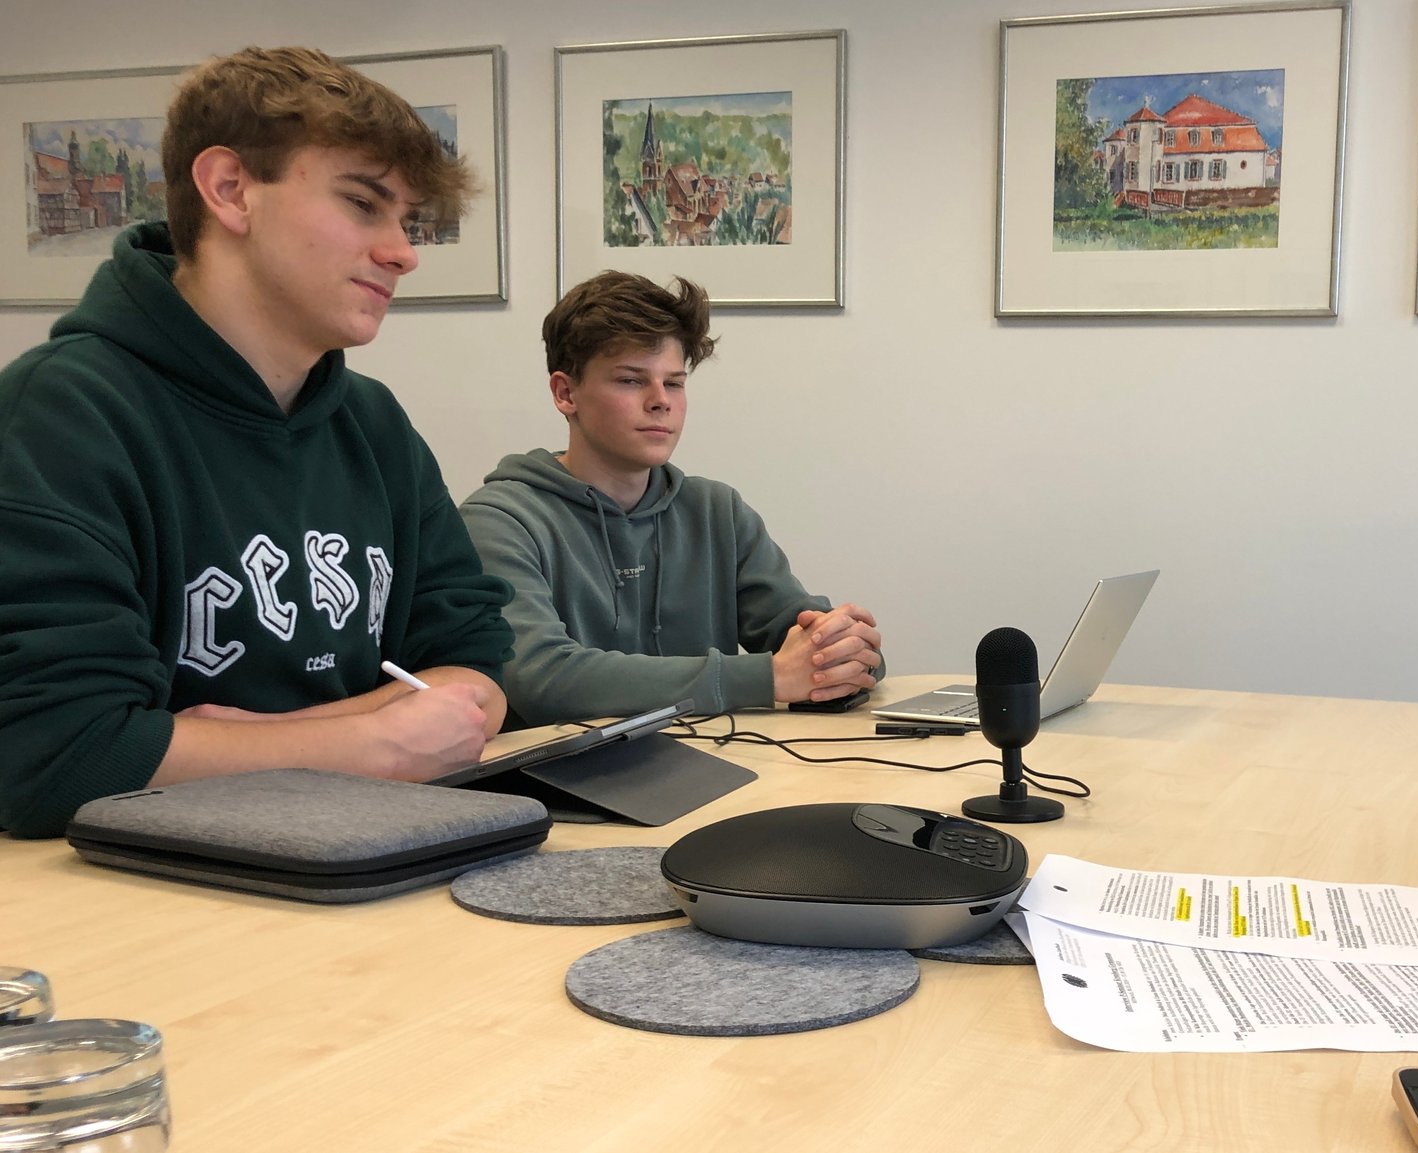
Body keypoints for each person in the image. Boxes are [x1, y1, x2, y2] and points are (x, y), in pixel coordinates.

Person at [0, 47, 514, 839]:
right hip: (144, 914)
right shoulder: (60, 414)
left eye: (405, 220)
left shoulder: (373, 424)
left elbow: (475, 663)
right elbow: (54, 756)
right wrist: (375, 740)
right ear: (231, 190)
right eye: (364, 204)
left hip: (363, 864)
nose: (404, 251)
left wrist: (249, 741)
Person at [459, 271, 881, 724]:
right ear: (566, 393)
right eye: (631, 381)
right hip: (557, 786)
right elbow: (543, 680)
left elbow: (804, 639)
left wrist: (847, 649)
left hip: (718, 770)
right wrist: (767, 678)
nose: (660, 401)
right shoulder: (498, 522)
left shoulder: (717, 511)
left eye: (674, 383)